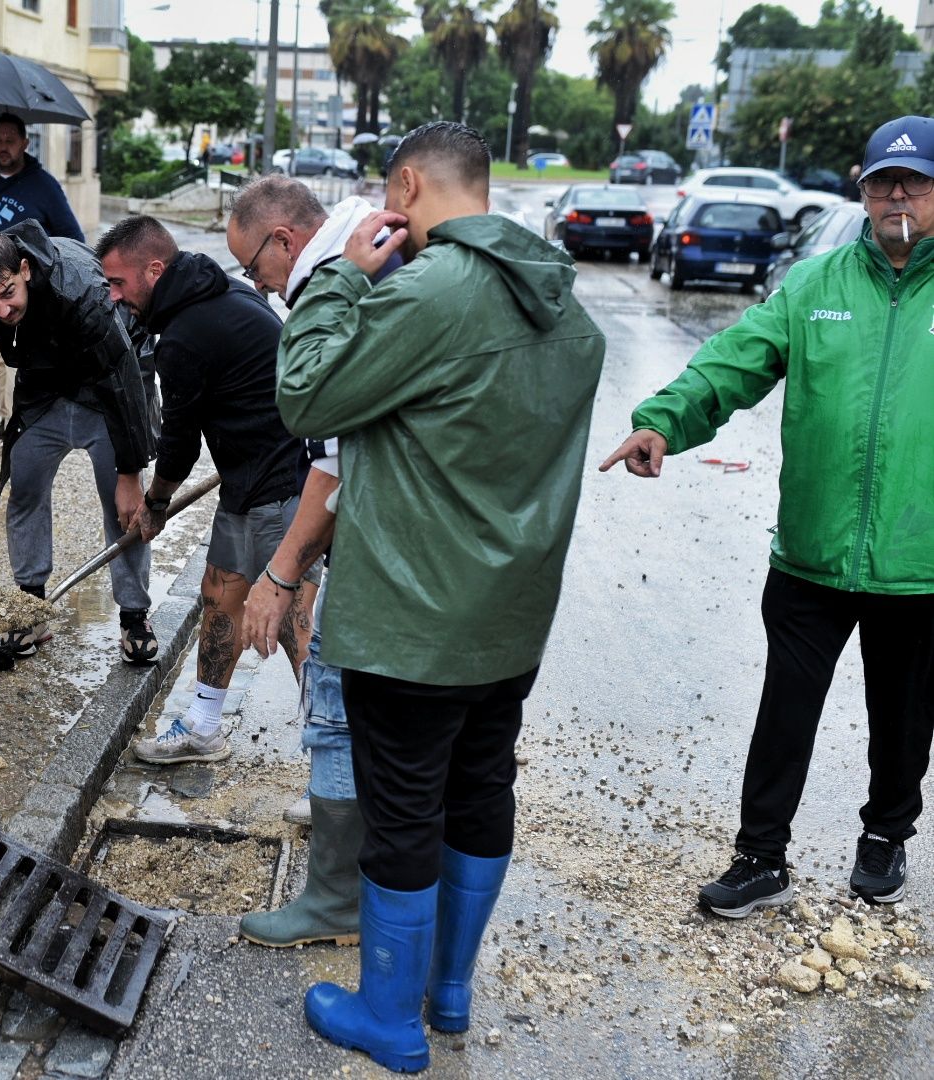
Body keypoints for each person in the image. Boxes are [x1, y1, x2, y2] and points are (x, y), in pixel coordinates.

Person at [276, 121, 605, 1072]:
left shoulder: (432, 291)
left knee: (406, 811)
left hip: (411, 627)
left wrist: (340, 273)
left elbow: (304, 396)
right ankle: (447, 991)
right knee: (480, 790)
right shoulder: (564, 306)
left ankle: (389, 1018)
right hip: (508, 620)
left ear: (407, 187)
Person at [602, 115, 934, 921]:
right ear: (861, 192)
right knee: (785, 712)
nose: (897, 197)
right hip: (810, 556)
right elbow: (732, 363)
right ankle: (760, 858)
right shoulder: (816, 287)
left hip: (920, 562)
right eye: (883, 183)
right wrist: (663, 422)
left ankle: (885, 837)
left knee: (904, 721)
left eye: (915, 184)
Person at [219, 175, 399, 949]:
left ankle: (334, 902)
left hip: (377, 533)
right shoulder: (385, 246)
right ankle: (380, 881)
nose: (257, 285)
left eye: (255, 266)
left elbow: (334, 460)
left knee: (331, 703)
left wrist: (281, 572)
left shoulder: (338, 282)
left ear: (286, 241)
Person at [92, 215, 311, 768]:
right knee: (220, 600)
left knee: (293, 625)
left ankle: (339, 770)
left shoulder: (186, 335)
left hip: (282, 488)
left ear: (155, 269)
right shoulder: (214, 295)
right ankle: (206, 727)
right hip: (247, 481)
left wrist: (157, 503)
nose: (115, 297)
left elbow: (180, 446)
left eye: (118, 284)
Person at [0, 221, 156, 662]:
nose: (0, 310)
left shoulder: (77, 287)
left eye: (7, 295)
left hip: (106, 388)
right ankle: (31, 606)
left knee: (122, 505)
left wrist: (131, 473)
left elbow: (122, 375)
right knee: (25, 489)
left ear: (24, 269)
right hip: (42, 390)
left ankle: (134, 615)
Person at [0, 113, 84, 441]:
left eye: (10, 140)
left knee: (21, 358)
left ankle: (23, 417)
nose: (2, 147)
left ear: (25, 143)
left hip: (23, 290)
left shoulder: (44, 186)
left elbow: (73, 237)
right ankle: (4, 417)